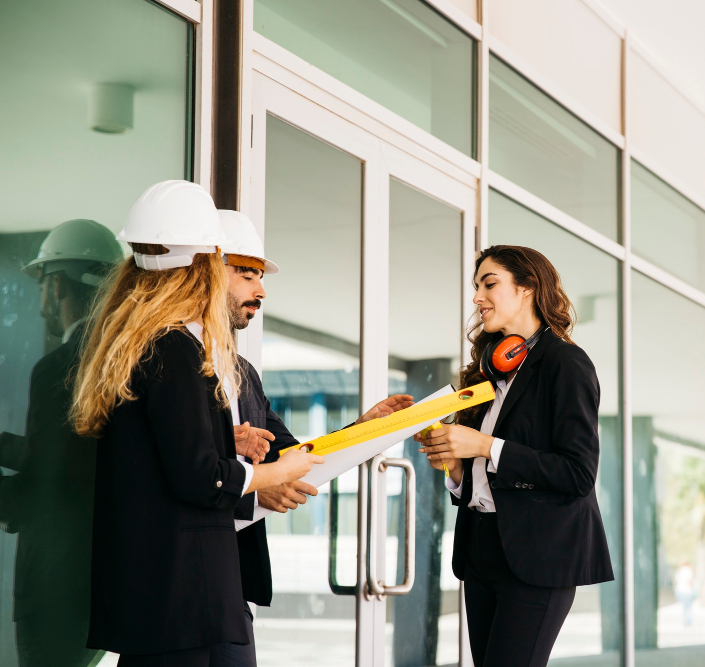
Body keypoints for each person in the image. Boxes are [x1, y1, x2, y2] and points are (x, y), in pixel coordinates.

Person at [73, 181, 323, 666]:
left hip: (174, 594)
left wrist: (224, 440)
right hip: (186, 595)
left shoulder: (145, 342)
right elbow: (199, 474)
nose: (258, 289)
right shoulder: (173, 347)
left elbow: (156, 450)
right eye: (239, 270)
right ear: (208, 265)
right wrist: (272, 475)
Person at [211, 209, 413, 666]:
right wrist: (250, 470)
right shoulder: (176, 360)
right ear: (208, 270)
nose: (260, 291)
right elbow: (182, 464)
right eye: (246, 276)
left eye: (260, 278)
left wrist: (363, 430)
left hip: (233, 577)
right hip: (182, 579)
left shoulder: (243, 374)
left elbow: (292, 455)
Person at [415, 245, 614, 667]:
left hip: (539, 555)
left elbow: (578, 473)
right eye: (476, 287)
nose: (477, 297)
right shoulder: (490, 369)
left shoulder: (566, 363)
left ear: (527, 289)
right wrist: (453, 465)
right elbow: (482, 475)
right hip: (482, 548)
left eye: (489, 284)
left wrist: (483, 446)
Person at [0, 219, 123, 667]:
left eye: (40, 286)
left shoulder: (59, 367)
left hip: (53, 588)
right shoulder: (121, 364)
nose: (39, 304)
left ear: (55, 285)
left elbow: (45, 485)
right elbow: (75, 456)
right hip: (99, 580)